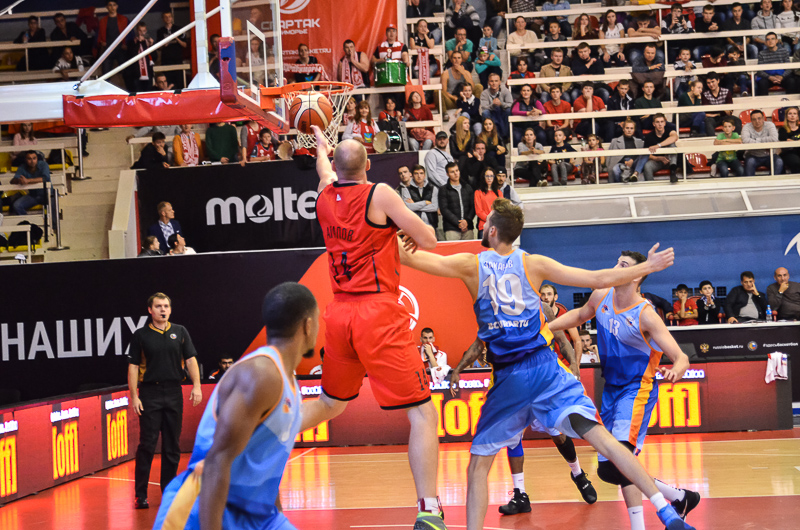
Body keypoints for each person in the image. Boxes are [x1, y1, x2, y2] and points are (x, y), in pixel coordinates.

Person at [398, 199, 695, 530]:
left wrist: (388, 231)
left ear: (492, 230)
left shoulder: (471, 264)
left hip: (509, 376)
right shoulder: (533, 263)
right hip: (546, 368)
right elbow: (597, 277)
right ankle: (667, 512)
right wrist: (647, 267)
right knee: (605, 441)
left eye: (485, 221)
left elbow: (412, 258)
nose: (482, 225)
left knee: (478, 466)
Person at [304, 127, 447, 530]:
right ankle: (429, 510)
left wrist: (321, 148)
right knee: (422, 413)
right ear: (368, 164)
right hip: (377, 312)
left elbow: (324, 172)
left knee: (330, 403)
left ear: (336, 167)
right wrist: (400, 232)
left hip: (339, 312)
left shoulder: (323, 196)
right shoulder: (379, 193)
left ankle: (263, 433)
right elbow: (430, 240)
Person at [549, 249, 699, 530]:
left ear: (636, 276)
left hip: (637, 389)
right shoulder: (601, 294)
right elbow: (581, 314)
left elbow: (681, 357)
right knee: (610, 468)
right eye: (617, 263)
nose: (616, 268)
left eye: (623, 265)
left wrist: (677, 368)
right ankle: (679, 497)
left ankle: (648, 519)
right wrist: (547, 329)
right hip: (611, 388)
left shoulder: (646, 315)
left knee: (619, 460)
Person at [152, 283, 317, 530]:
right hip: (203, 508)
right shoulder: (262, 374)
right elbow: (217, 462)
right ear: (308, 325)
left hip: (258, 513)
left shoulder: (288, 381)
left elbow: (264, 459)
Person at [128, 292, 202, 509]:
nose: (163, 310)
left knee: (172, 446)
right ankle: (141, 494)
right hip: (150, 393)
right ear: (150, 310)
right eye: (159, 306)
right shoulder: (141, 335)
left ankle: (169, 492)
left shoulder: (180, 331)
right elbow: (133, 366)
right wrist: (134, 396)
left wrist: (197, 385)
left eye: (166, 306)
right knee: (147, 445)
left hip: (173, 392)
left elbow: (191, 359)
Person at [439, 162, 476, 240]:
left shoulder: (467, 187)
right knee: (453, 248)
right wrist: (458, 223)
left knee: (469, 248)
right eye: (452, 172)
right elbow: (444, 209)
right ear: (447, 174)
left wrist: (467, 221)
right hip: (451, 228)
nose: (456, 174)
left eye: (457, 170)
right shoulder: (443, 189)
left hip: (468, 227)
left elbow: (473, 207)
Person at [9, 151, 53, 216]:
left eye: (34, 158)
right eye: (29, 159)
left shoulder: (44, 164)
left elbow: (45, 178)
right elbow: (12, 181)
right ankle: (27, 222)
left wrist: (28, 181)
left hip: (47, 194)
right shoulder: (22, 167)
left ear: (37, 159)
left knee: (53, 208)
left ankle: (53, 222)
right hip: (33, 195)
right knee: (17, 205)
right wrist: (19, 180)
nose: (32, 161)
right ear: (25, 160)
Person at [742, 110, 782, 176]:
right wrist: (765, 142)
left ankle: (771, 182)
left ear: (763, 118)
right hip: (753, 155)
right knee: (749, 162)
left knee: (779, 162)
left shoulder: (770, 125)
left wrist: (756, 140)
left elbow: (774, 138)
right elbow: (745, 140)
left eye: (759, 118)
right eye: (754, 119)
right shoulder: (746, 126)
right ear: (751, 120)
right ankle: (750, 182)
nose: (757, 121)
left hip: (770, 155)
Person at [607, 119, 647, 183]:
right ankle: (620, 184)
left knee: (645, 154)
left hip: (635, 164)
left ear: (634, 130)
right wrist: (625, 162)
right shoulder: (615, 141)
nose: (629, 130)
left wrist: (632, 160)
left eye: (631, 128)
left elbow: (640, 156)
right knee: (615, 169)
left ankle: (635, 174)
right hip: (621, 163)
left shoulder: (640, 142)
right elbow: (611, 158)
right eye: (627, 128)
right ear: (623, 129)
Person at [643, 113, 680, 183]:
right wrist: (658, 158)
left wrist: (658, 145)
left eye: (662, 122)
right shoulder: (649, 136)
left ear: (665, 123)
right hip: (658, 161)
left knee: (672, 144)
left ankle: (673, 172)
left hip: (671, 160)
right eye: (657, 122)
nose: (660, 124)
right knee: (647, 166)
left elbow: (675, 137)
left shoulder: (669, 131)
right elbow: (646, 155)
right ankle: (650, 186)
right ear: (654, 124)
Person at [157, 11, 189, 89]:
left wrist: (176, 38)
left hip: (177, 60)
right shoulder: (160, 31)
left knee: (179, 82)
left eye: (169, 16)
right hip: (166, 61)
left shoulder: (179, 29)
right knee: (167, 82)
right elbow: (158, 48)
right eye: (165, 17)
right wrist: (164, 44)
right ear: (163, 19)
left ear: (172, 18)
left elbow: (185, 45)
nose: (168, 18)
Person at [98, 1, 129, 76]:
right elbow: (98, 36)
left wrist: (126, 44)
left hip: (121, 49)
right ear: (107, 7)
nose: (112, 7)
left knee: (126, 72)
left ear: (117, 6)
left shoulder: (124, 19)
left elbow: (130, 34)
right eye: (110, 5)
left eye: (114, 5)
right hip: (108, 49)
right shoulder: (102, 21)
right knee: (105, 74)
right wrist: (101, 42)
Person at [479, 73, 513, 141]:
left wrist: (501, 104)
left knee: (508, 110)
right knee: (485, 113)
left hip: (502, 112)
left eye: (496, 81)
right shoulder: (484, 93)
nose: (494, 83)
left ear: (500, 82)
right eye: (491, 81)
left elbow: (511, 104)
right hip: (491, 113)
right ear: (488, 82)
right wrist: (493, 105)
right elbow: (484, 108)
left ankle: (506, 136)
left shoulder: (505, 91)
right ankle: (491, 136)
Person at [124, 22, 156, 93]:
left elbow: (154, 57)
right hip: (136, 75)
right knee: (137, 94)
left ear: (146, 31)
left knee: (148, 94)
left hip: (148, 74)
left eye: (143, 31)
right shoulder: (131, 42)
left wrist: (152, 45)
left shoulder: (148, 42)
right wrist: (139, 42)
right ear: (136, 31)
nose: (141, 33)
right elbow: (132, 55)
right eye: (140, 31)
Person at [474, 167, 500, 238]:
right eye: (487, 176)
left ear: (494, 177)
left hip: (497, 226)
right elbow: (479, 211)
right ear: (483, 177)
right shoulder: (478, 192)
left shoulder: (499, 193)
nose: (489, 178)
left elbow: (501, 209)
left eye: (491, 176)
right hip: (484, 226)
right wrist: (490, 219)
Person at [779, 106, 800, 173]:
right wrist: (797, 142)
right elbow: (786, 142)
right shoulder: (782, 130)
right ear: (786, 116)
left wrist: (792, 141)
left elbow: (789, 141)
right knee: (796, 162)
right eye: (790, 113)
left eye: (794, 113)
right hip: (788, 153)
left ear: (797, 116)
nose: (792, 116)